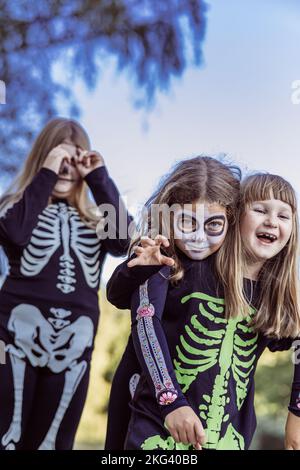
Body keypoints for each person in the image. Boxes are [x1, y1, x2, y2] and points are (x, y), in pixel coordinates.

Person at [107, 169, 300, 450]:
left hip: (227, 439)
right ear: (235, 218)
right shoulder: (187, 267)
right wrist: (171, 401)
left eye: (284, 216)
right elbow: (129, 304)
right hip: (157, 429)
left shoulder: (273, 297)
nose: (272, 220)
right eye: (260, 209)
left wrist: (296, 409)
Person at [0, 117, 132, 450]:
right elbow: (14, 235)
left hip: (73, 351)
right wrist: (45, 174)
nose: (66, 168)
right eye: (59, 158)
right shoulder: (16, 208)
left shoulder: (95, 219)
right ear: (44, 158)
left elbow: (124, 240)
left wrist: (100, 178)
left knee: (54, 443)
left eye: (76, 160)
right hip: (14, 340)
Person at [105, 155, 242, 449]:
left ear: (230, 219)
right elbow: (118, 295)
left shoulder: (233, 270)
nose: (198, 237)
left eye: (213, 225)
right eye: (187, 223)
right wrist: (140, 267)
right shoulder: (160, 255)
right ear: (168, 217)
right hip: (144, 398)